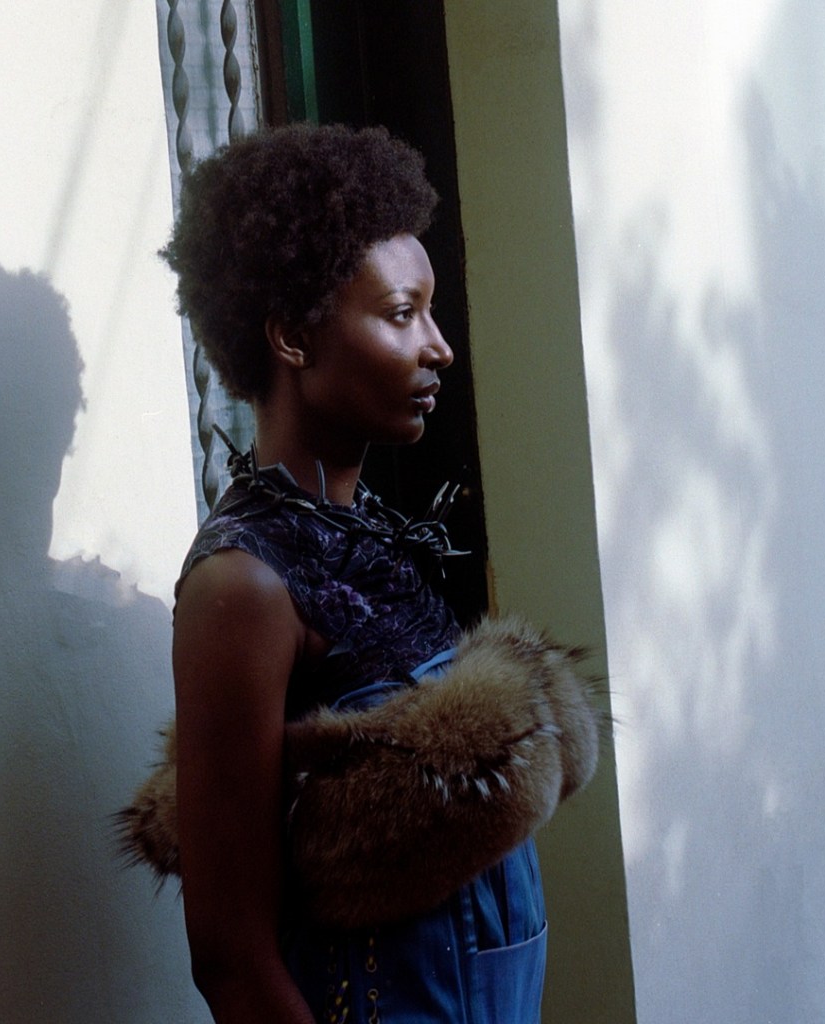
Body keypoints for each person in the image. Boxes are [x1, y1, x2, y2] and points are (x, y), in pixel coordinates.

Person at [161, 123, 557, 1024]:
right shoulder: (243, 585)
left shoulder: (373, 533)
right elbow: (231, 957)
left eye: (430, 312)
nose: (439, 347)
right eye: (401, 314)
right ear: (292, 338)